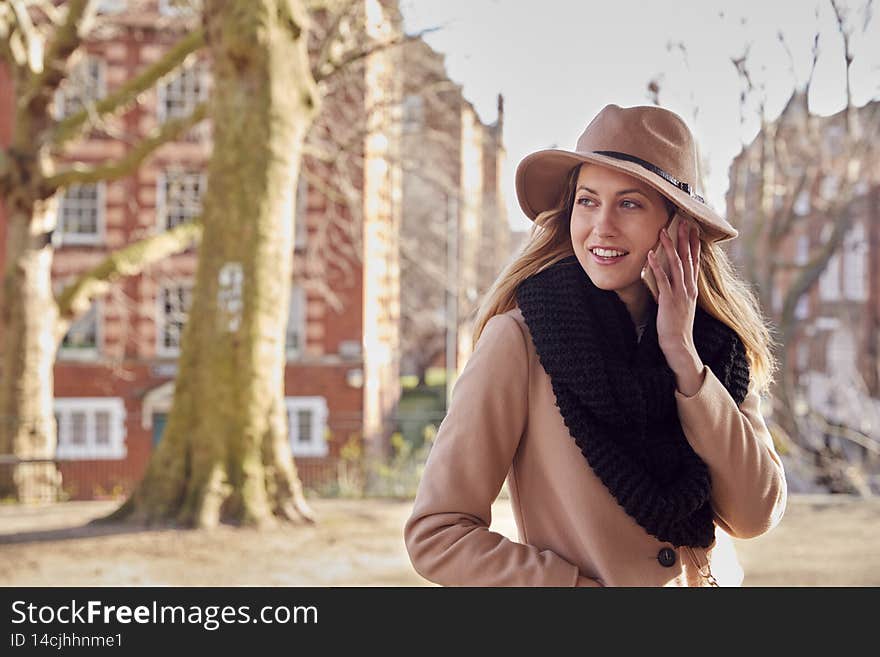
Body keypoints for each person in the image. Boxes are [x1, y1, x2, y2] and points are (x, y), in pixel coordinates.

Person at [403, 103, 788, 587]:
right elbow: (438, 534)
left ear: (679, 226)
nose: (602, 225)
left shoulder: (715, 345)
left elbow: (755, 514)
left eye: (629, 204)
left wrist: (685, 361)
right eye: (587, 201)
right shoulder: (520, 342)